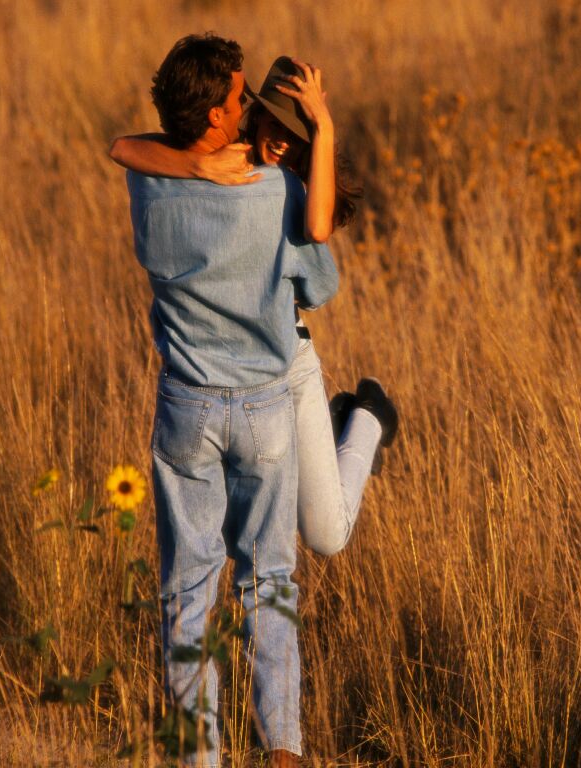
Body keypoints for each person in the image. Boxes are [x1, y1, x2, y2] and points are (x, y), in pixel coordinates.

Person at [126, 34, 339, 768]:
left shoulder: (148, 182)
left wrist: (186, 160)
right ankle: (282, 749)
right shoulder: (278, 191)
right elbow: (322, 286)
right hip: (264, 408)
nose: (249, 106)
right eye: (239, 97)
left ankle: (198, 757)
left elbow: (126, 147)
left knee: (187, 589)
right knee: (268, 580)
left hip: (185, 406)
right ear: (217, 116)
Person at [111, 56, 398, 561]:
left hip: (286, 364)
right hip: (220, 381)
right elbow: (122, 148)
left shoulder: (291, 188)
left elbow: (317, 236)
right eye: (274, 121)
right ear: (254, 114)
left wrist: (324, 127)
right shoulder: (225, 156)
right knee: (239, 541)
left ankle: (368, 417)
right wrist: (196, 164)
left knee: (326, 537)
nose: (284, 138)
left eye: (299, 132)